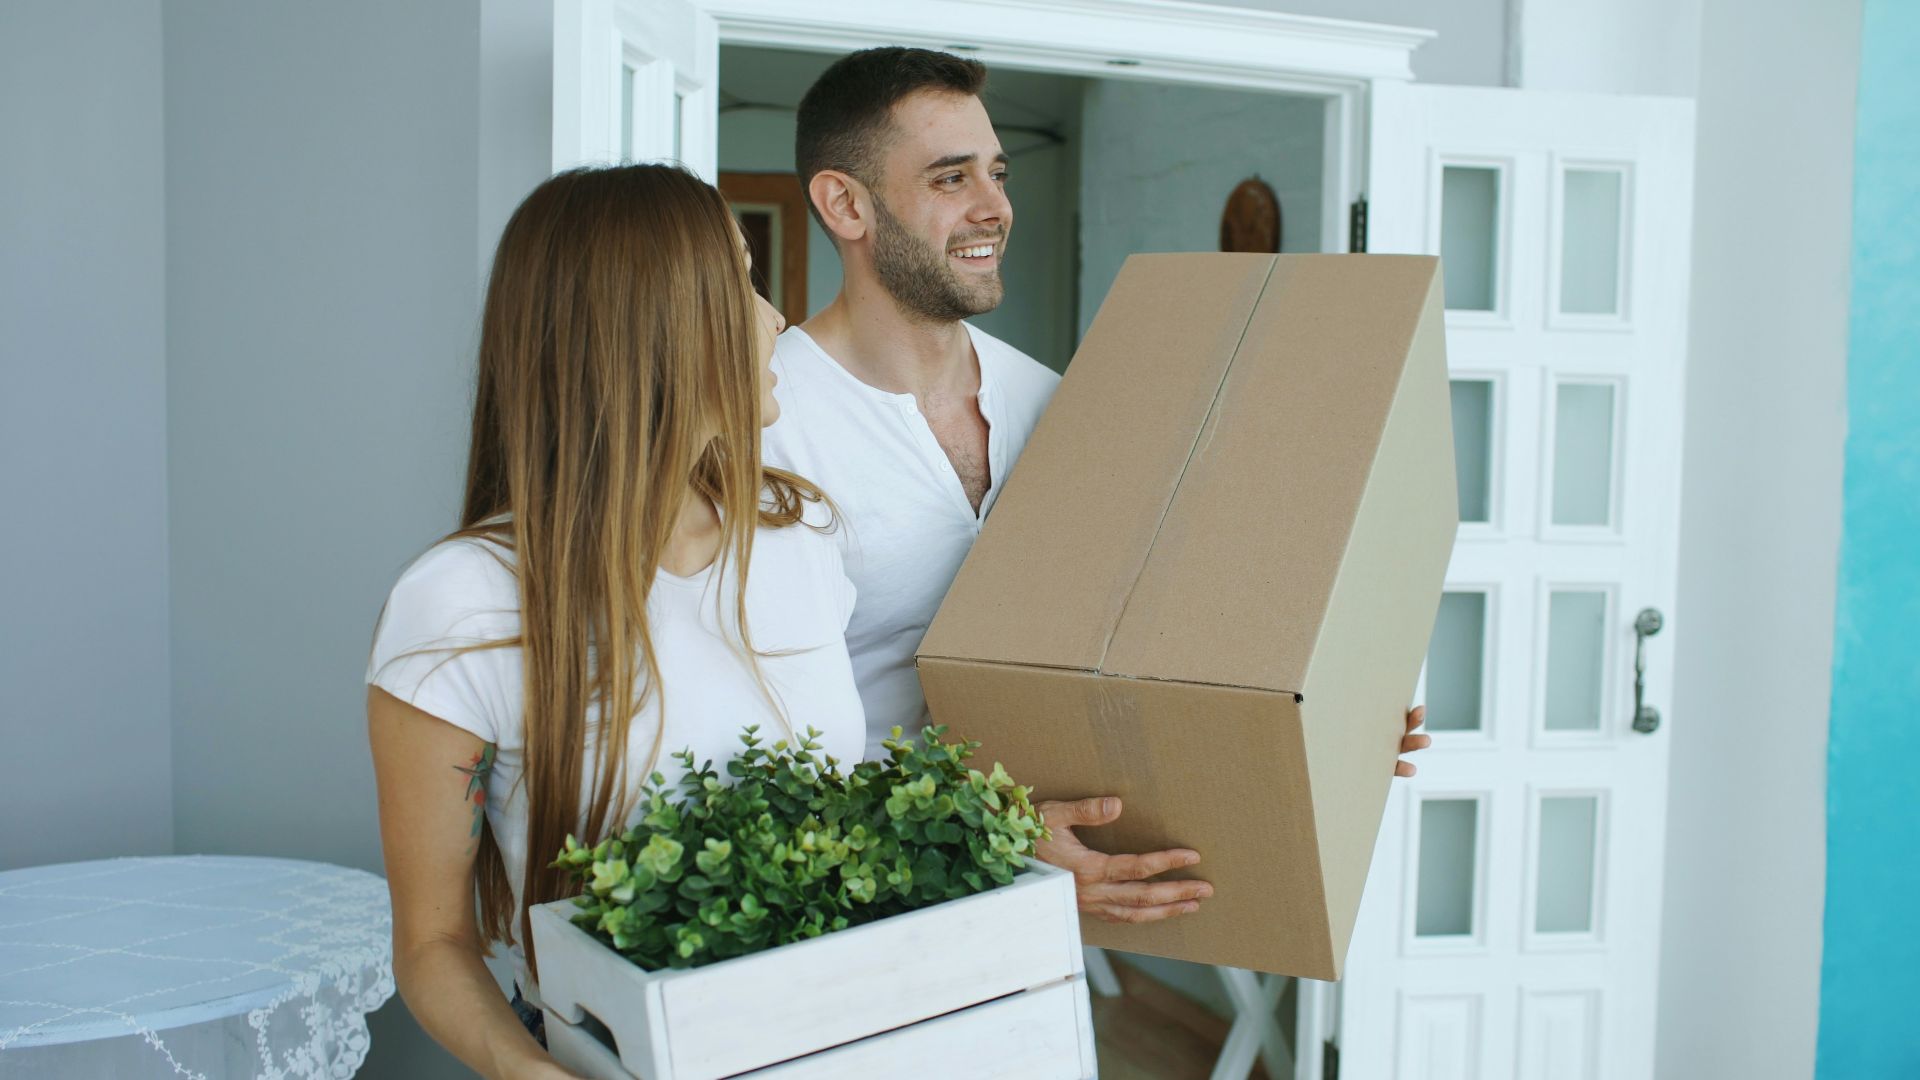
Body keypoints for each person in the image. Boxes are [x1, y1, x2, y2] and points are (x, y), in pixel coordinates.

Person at [762, 48, 1431, 927]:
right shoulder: (766, 423)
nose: (994, 207)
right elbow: (747, 741)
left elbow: (1146, 636)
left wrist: (1323, 708)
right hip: (844, 916)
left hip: (1045, 909)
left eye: (997, 173)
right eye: (950, 177)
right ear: (844, 203)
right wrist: (979, 833)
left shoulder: (1060, 403)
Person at [365, 163, 864, 1078]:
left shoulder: (802, 537)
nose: (776, 319)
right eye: (741, 285)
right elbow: (433, 943)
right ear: (652, 332)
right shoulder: (461, 603)